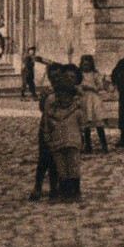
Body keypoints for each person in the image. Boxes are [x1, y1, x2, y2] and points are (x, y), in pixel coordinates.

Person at [42, 68, 84, 201]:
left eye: (66, 96)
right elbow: (46, 127)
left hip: (73, 143)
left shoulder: (76, 111)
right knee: (61, 169)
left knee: (73, 168)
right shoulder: (52, 113)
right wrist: (48, 139)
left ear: (71, 97)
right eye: (60, 96)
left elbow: (81, 126)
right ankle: (65, 192)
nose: (63, 99)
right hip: (57, 144)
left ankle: (75, 192)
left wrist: (79, 139)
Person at [28, 62, 62, 202]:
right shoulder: (46, 92)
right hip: (47, 126)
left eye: (58, 76)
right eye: (52, 76)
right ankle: (38, 186)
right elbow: (42, 108)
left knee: (56, 159)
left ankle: (55, 187)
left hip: (61, 126)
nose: (55, 79)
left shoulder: (66, 91)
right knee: (43, 159)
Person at [78, 54, 109, 153]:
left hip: (94, 99)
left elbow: (99, 86)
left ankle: (104, 145)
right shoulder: (79, 75)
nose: (86, 66)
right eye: (84, 64)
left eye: (88, 64)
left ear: (91, 64)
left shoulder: (95, 74)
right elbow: (78, 85)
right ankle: (88, 146)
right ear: (81, 64)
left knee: (98, 122)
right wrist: (85, 86)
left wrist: (98, 85)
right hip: (84, 99)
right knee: (86, 123)